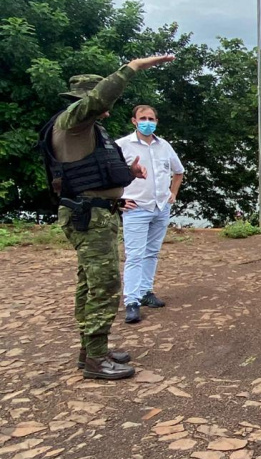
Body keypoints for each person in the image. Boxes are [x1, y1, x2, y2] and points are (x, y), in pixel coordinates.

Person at [38, 54, 174, 380]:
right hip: (89, 217)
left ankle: (91, 351)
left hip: (97, 213)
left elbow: (91, 173)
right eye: (101, 103)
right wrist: (133, 68)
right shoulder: (72, 122)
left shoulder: (87, 131)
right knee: (105, 286)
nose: (108, 109)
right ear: (86, 102)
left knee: (89, 285)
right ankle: (97, 360)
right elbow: (102, 96)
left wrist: (128, 173)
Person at [116, 105, 185, 324]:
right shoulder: (122, 146)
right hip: (136, 207)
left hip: (160, 207)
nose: (148, 122)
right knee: (135, 255)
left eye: (151, 118)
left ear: (157, 121)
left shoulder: (163, 146)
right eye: (143, 118)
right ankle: (132, 301)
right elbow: (110, 177)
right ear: (134, 121)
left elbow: (179, 171)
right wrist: (117, 200)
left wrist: (172, 194)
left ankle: (146, 291)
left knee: (152, 252)